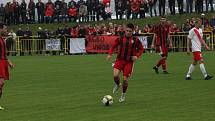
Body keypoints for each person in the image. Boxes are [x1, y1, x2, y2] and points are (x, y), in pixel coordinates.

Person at [106, 23, 144, 103]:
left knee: (125, 80)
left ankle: (123, 94)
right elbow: (113, 46)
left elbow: (141, 49)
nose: (128, 32)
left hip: (129, 62)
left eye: (130, 31)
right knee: (115, 76)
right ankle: (117, 84)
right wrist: (110, 54)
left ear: (132, 31)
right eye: (127, 31)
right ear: (125, 30)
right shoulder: (120, 38)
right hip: (119, 60)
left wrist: (137, 56)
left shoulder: (135, 40)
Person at [0, 23, 15, 110]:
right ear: (0, 29)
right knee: (1, 83)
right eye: (5, 29)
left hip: (2, 62)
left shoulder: (2, 39)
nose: (6, 31)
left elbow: (3, 53)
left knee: (1, 84)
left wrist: (8, 62)